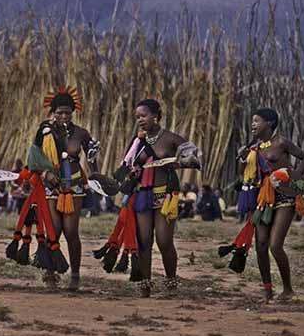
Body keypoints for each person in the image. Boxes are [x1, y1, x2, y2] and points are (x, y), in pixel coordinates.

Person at [103, 99, 199, 297]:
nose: (140, 120)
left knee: (164, 241)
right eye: (137, 117)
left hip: (165, 196)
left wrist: (176, 164)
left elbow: (194, 158)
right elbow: (126, 165)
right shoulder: (137, 142)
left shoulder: (171, 139)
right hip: (142, 196)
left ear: (155, 116)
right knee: (144, 241)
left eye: (143, 116)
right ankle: (145, 284)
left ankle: (171, 281)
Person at [234, 108, 304, 302]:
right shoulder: (254, 148)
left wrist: (293, 176)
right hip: (263, 200)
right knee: (261, 245)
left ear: (269, 123)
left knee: (275, 245)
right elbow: (243, 173)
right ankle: (267, 290)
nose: (252, 125)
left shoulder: (281, 142)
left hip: (285, 197)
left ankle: (288, 289)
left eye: (256, 121)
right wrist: (242, 158)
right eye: (252, 121)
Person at [28, 87, 94, 291]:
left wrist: (96, 177)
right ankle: (50, 274)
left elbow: (92, 158)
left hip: (73, 186)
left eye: (67, 112)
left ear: (73, 112)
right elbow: (34, 159)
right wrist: (45, 174)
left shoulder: (81, 133)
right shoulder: (44, 132)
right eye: (59, 113)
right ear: (53, 112)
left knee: (71, 232)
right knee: (53, 231)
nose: (63, 116)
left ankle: (75, 276)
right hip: (51, 187)